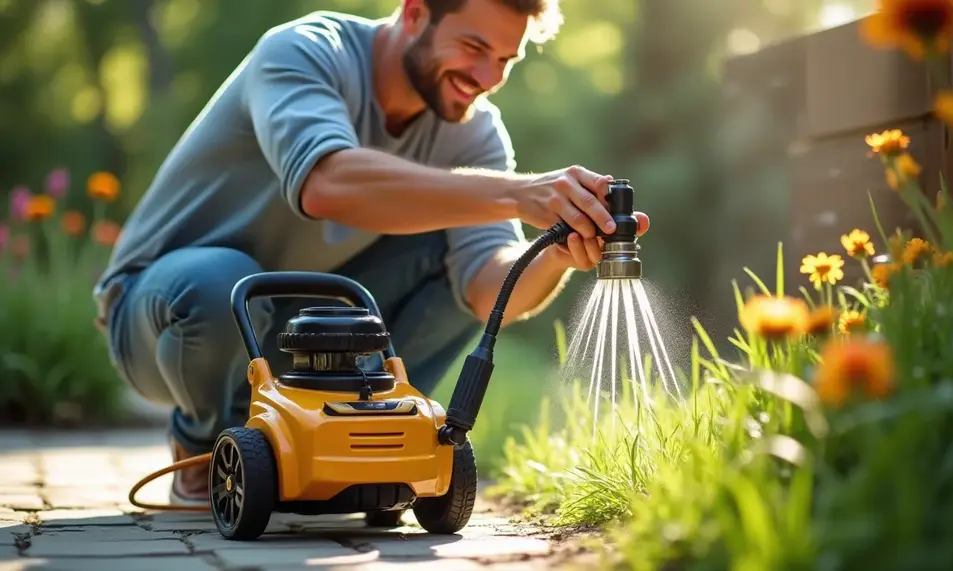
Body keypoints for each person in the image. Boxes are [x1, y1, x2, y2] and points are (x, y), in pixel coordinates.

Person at [93, 0, 651, 506]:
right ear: (414, 13)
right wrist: (518, 193)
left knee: (451, 258)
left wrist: (556, 251)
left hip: (294, 330)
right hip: (165, 316)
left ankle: (360, 444)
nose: (487, 78)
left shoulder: (474, 131)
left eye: (505, 60)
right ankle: (202, 451)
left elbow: (486, 291)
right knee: (224, 281)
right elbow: (326, 184)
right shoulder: (305, 51)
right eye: (473, 47)